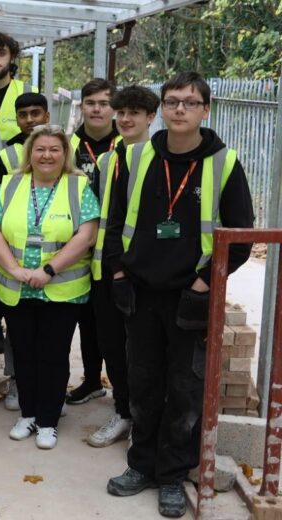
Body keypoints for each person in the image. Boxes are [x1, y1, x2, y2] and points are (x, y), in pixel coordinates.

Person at [104, 72, 254, 517]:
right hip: (139, 291)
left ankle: (172, 475)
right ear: (162, 109)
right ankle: (142, 466)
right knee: (142, 384)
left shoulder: (224, 163)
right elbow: (113, 223)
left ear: (206, 110)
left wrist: (204, 283)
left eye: (190, 102)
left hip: (191, 294)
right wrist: (117, 274)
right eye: (172, 102)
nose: (180, 110)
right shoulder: (133, 157)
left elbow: (240, 237)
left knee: (185, 389)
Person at [0, 124, 99, 450]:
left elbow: (86, 236)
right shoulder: (11, 184)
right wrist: (14, 269)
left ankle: (48, 421)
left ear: (65, 155)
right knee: (24, 354)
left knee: (53, 355)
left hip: (62, 290)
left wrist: (49, 269)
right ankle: (28, 414)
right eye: (40, 149)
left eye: (54, 150)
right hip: (17, 289)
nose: (46, 155)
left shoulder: (78, 187)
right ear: (29, 154)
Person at [87, 86, 159, 448]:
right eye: (122, 113)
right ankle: (123, 412)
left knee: (142, 351)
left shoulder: (161, 159)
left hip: (142, 273)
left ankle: (144, 422)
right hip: (106, 268)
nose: (126, 119)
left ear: (150, 117)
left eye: (135, 113)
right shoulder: (107, 161)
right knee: (112, 346)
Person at [0, 92, 51, 411]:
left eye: (35, 113)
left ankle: (48, 386)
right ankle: (16, 382)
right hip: (14, 258)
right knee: (17, 330)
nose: (30, 120)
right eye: (23, 114)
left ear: (47, 115)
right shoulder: (6, 155)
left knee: (51, 331)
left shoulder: (60, 148)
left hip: (54, 261)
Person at [65, 78, 121, 407]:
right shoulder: (67, 145)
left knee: (111, 323)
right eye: (91, 102)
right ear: (82, 107)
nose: (97, 108)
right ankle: (91, 380)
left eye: (104, 102)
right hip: (73, 245)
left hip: (112, 249)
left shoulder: (126, 145)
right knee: (85, 318)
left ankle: (121, 388)